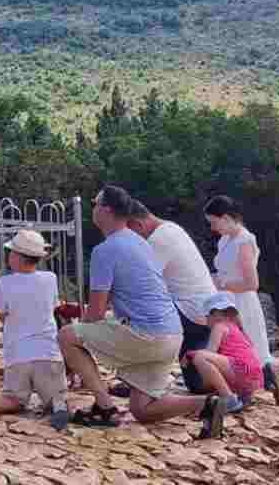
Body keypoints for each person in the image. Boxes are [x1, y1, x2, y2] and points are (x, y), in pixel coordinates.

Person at [58, 185, 227, 436]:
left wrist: (73, 355)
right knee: (142, 409)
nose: (93, 209)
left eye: (95, 204)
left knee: (66, 336)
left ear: (106, 210)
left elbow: (95, 314)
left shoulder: (105, 250)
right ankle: (207, 404)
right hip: (172, 335)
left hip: (147, 335)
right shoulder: (140, 243)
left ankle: (104, 408)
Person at [203, 196, 279, 406]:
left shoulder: (244, 240)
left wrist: (221, 283)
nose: (212, 228)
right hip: (226, 300)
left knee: (252, 353)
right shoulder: (224, 240)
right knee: (236, 351)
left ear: (226, 218)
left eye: (214, 222)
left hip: (242, 302)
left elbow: (252, 283)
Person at [0, 230, 70, 429]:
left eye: (11, 252)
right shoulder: (50, 279)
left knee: (13, 398)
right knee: (56, 397)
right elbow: (53, 307)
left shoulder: (5, 283)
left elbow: (0, 313)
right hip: (47, 353)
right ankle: (58, 408)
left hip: (17, 354)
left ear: (17, 257)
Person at [127, 201, 216, 395]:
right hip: (202, 315)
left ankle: (139, 382)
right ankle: (249, 376)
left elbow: (140, 287)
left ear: (138, 225)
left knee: (138, 315)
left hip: (190, 312)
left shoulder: (158, 241)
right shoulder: (172, 229)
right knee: (198, 384)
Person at [185, 292, 263, 436]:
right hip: (253, 378)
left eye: (207, 316)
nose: (206, 320)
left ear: (215, 314)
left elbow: (210, 353)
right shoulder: (236, 328)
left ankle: (229, 399)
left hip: (241, 370)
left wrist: (190, 354)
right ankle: (239, 397)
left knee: (200, 358)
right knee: (209, 365)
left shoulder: (219, 327)